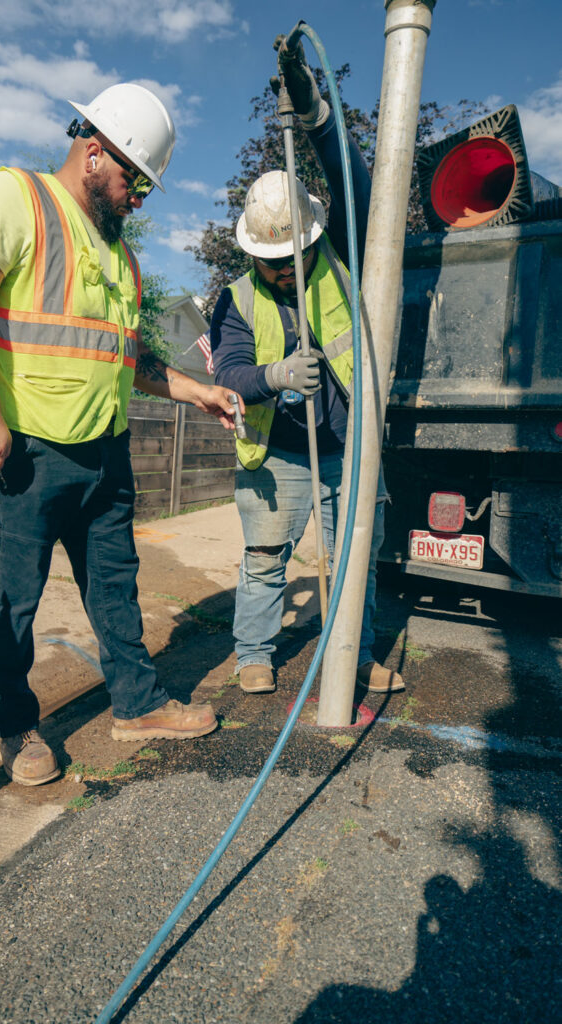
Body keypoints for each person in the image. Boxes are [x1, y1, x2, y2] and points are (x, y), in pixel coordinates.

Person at [0, 82, 242, 786]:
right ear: (95, 151)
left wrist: (196, 390)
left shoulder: (120, 258)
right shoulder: (18, 198)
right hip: (29, 451)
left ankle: (137, 704)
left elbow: (127, 359)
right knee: (12, 598)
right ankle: (15, 726)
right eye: (136, 180)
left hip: (104, 453)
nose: (140, 197)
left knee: (115, 587)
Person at [211, 42, 403, 697]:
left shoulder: (347, 258)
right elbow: (229, 374)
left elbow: (351, 177)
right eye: (268, 261)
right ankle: (253, 653)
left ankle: (355, 654)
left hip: (351, 445)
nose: (280, 271)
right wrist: (274, 376)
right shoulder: (235, 299)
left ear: (313, 238)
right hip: (280, 451)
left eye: (288, 257)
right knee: (265, 559)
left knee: (355, 563)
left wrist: (316, 109)